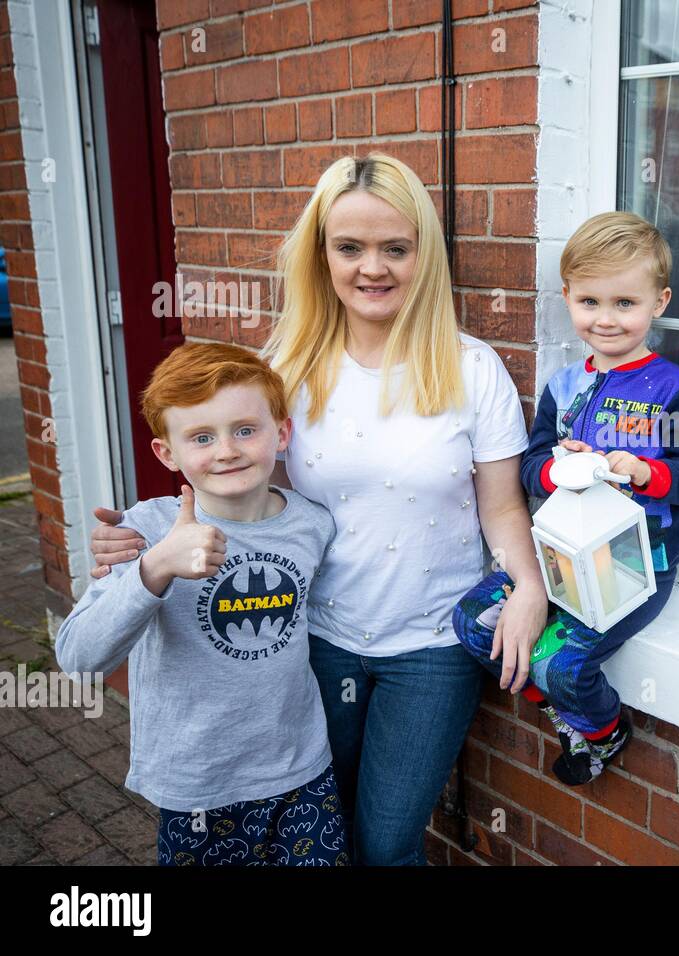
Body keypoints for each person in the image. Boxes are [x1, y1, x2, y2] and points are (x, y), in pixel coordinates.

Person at [88, 153, 549, 865]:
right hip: (313, 640)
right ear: (322, 254)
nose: (374, 267)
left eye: (395, 248)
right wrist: (144, 539)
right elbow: (229, 480)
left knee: (388, 845)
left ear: (421, 255)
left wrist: (528, 587)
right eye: (351, 247)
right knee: (319, 836)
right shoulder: (288, 369)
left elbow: (503, 509)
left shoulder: (471, 368)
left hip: (431, 649)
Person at [452, 211, 679, 786]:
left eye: (625, 303)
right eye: (590, 302)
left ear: (660, 302)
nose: (606, 319)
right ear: (568, 297)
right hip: (558, 553)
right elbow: (529, 467)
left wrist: (647, 474)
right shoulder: (564, 386)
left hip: (636, 563)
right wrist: (556, 468)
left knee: (565, 664)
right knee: (473, 622)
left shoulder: (674, 389)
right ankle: (567, 714)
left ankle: (603, 731)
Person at [55, 342, 348, 866]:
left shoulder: (313, 523)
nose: (227, 451)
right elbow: (78, 657)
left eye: (244, 429)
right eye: (201, 437)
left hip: (301, 771)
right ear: (167, 454)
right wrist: (155, 568)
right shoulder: (146, 531)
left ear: (280, 433)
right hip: (197, 784)